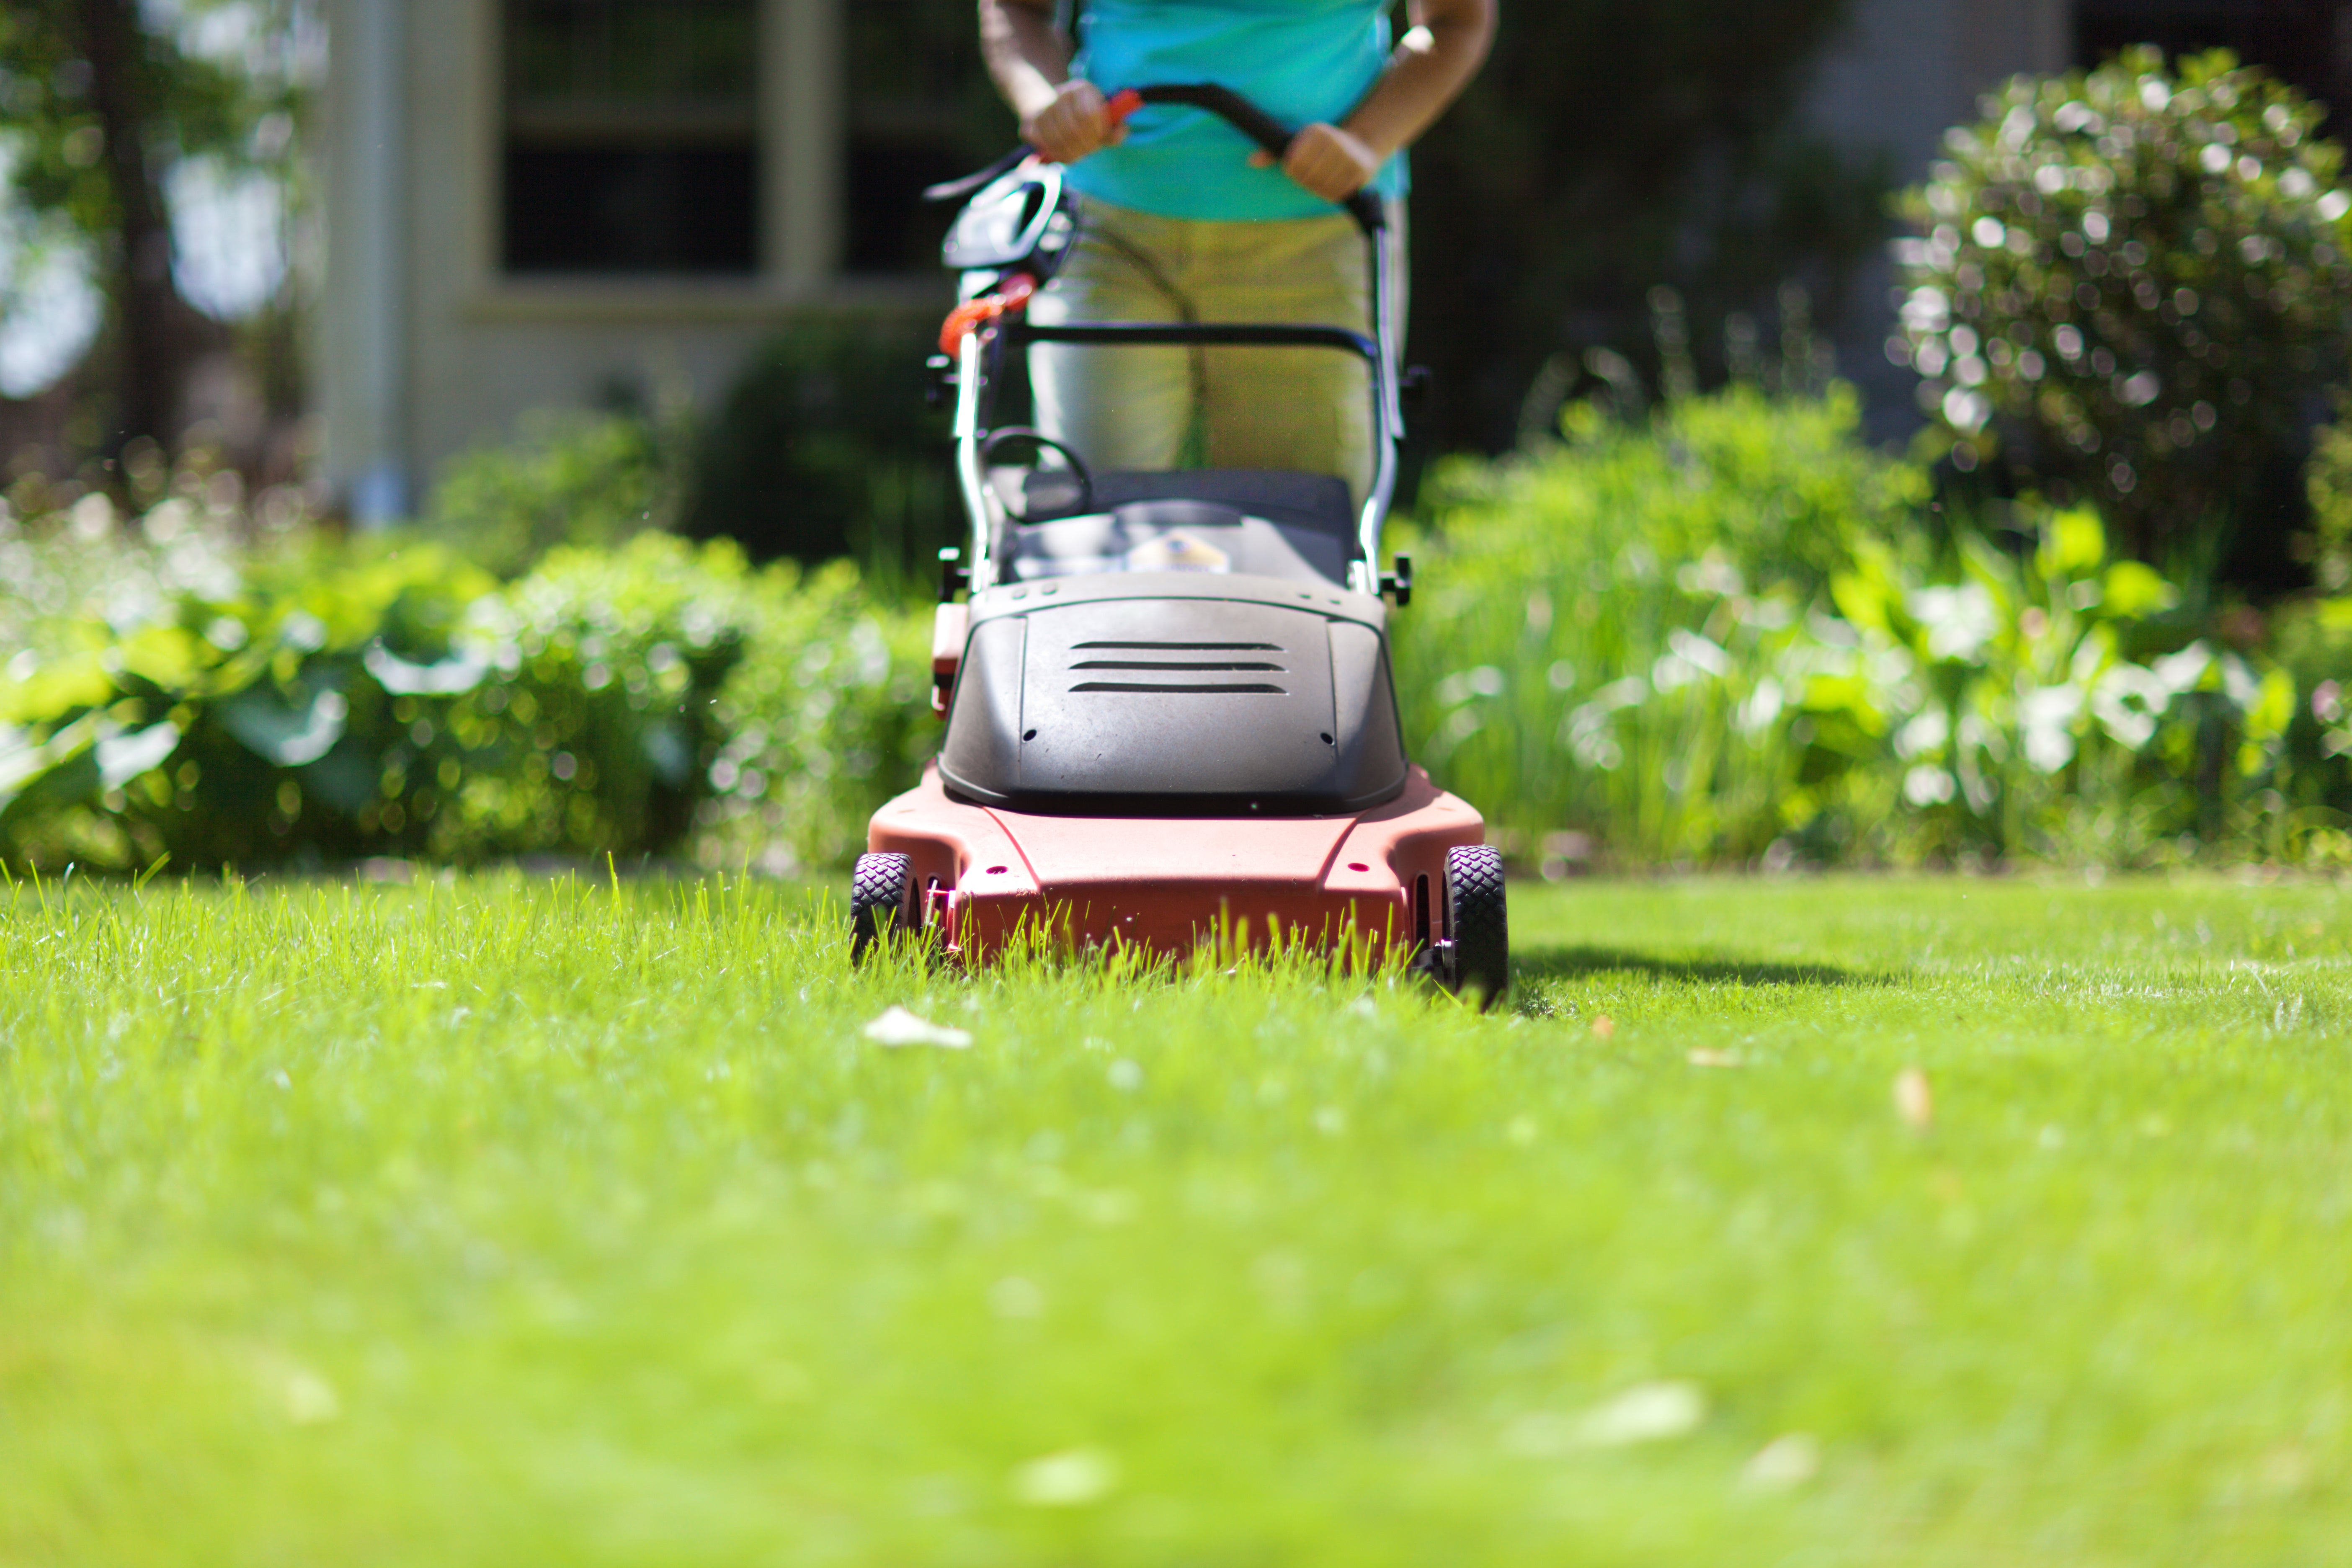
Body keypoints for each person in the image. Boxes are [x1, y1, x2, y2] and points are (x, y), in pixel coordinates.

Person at [978, 0, 1496, 506]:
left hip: (1315, 244)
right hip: (1109, 236)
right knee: (1087, 519)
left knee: (1307, 531)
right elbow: (1018, 8)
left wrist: (1365, 141)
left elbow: (1458, 20)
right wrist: (1043, 101)